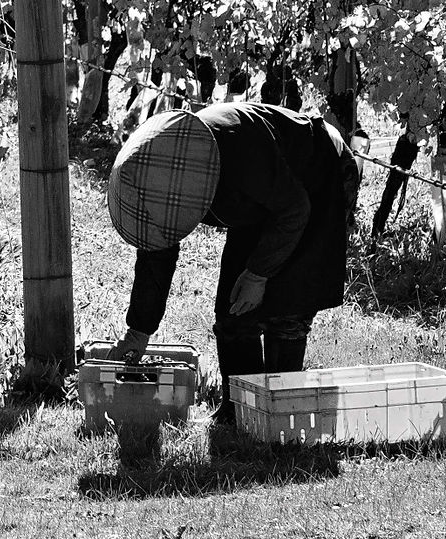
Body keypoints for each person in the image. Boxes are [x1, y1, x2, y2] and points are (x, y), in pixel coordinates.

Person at [106, 97, 357, 389]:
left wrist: (258, 274)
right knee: (234, 313)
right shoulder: (155, 181)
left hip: (318, 173)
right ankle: (237, 407)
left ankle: (279, 404)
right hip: (261, 201)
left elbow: (294, 209)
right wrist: (138, 331)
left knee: (287, 310)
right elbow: (157, 253)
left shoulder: (240, 154)